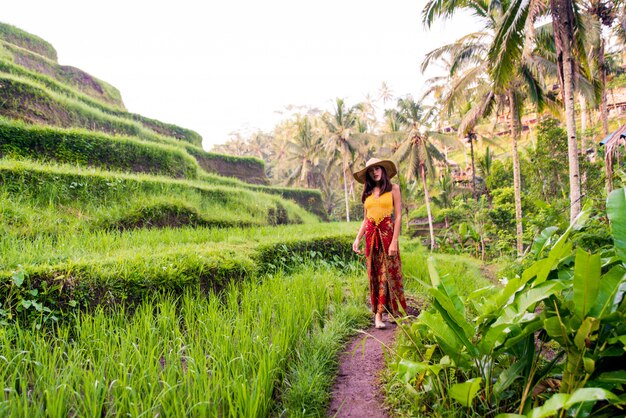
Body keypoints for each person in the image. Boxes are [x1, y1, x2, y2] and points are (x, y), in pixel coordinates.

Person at [352, 158, 408, 329]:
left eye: (377, 168)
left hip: (387, 237)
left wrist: (394, 241)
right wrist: (357, 238)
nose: (375, 172)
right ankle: (379, 313)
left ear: (383, 170)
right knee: (375, 274)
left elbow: (398, 216)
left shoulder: (394, 189)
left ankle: (385, 313)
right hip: (371, 238)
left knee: (389, 272)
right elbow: (365, 219)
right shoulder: (368, 194)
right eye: (371, 170)